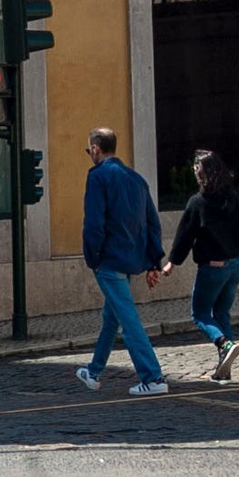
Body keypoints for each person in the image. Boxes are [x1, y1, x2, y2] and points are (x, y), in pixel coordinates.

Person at [77, 126, 167, 395]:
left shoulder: (98, 177)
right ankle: (93, 372)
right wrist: (153, 261)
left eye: (88, 150)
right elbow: (152, 223)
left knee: (128, 319)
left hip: (109, 260)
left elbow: (94, 222)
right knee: (112, 316)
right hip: (132, 258)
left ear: (95, 148)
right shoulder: (136, 179)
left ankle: (153, 377)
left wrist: (92, 258)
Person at [166, 147, 239, 379]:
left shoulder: (198, 202)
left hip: (213, 267)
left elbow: (184, 236)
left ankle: (224, 345)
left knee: (200, 313)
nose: (194, 170)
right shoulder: (233, 198)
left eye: (197, 167)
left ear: (204, 173)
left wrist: (171, 263)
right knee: (222, 313)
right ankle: (224, 370)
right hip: (235, 266)